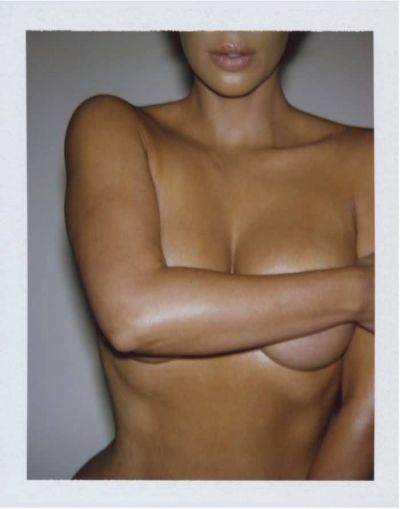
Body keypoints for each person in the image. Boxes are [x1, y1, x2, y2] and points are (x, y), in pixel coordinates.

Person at [64, 31, 374, 480]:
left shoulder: (370, 161)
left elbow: (369, 412)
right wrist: (358, 291)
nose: (231, 26)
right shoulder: (111, 127)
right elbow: (132, 316)